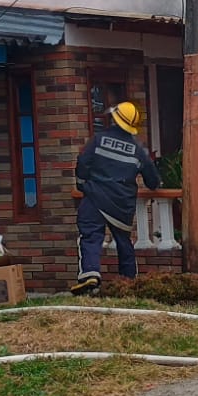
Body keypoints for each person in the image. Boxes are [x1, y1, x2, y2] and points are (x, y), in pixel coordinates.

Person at [71, 101, 160, 296]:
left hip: (94, 198)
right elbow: (153, 181)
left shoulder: (98, 140)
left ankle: (90, 275)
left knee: (90, 237)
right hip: (122, 204)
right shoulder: (139, 151)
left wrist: (82, 185)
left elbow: (82, 164)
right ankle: (128, 282)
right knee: (123, 241)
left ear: (113, 119)